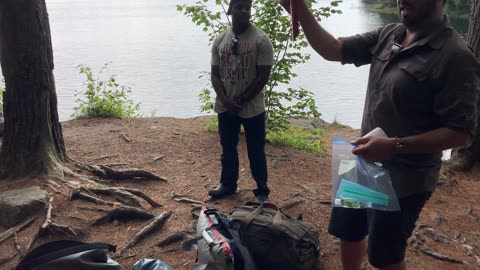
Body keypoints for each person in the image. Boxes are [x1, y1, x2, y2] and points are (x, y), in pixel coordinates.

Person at [279, 0, 479, 269]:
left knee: (385, 257)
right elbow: (333, 49)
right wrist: (299, 9)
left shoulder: (455, 56)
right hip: (362, 162)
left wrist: (394, 146)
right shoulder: (389, 34)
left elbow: (461, 134)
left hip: (405, 180)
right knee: (349, 232)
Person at [208, 0, 274, 203]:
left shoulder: (261, 40)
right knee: (227, 146)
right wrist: (226, 100)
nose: (244, 11)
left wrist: (242, 99)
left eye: (248, 8)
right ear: (231, 10)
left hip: (252, 108)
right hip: (225, 106)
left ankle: (262, 190)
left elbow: (263, 76)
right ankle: (228, 184)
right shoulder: (220, 40)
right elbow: (215, 75)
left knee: (256, 148)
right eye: (239, 7)